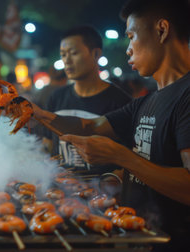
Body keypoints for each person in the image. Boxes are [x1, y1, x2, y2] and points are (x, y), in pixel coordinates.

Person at [29, 0, 189, 250]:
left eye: (132, 36)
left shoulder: (186, 96)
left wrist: (123, 158)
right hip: (140, 236)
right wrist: (38, 114)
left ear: (162, 30)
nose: (128, 49)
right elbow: (89, 127)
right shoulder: (145, 102)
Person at [42, 25, 132, 174]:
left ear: (96, 54)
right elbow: (48, 145)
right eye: (63, 55)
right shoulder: (56, 98)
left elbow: (129, 160)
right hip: (62, 191)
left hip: (103, 192)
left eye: (74, 53)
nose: (67, 60)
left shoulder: (121, 102)